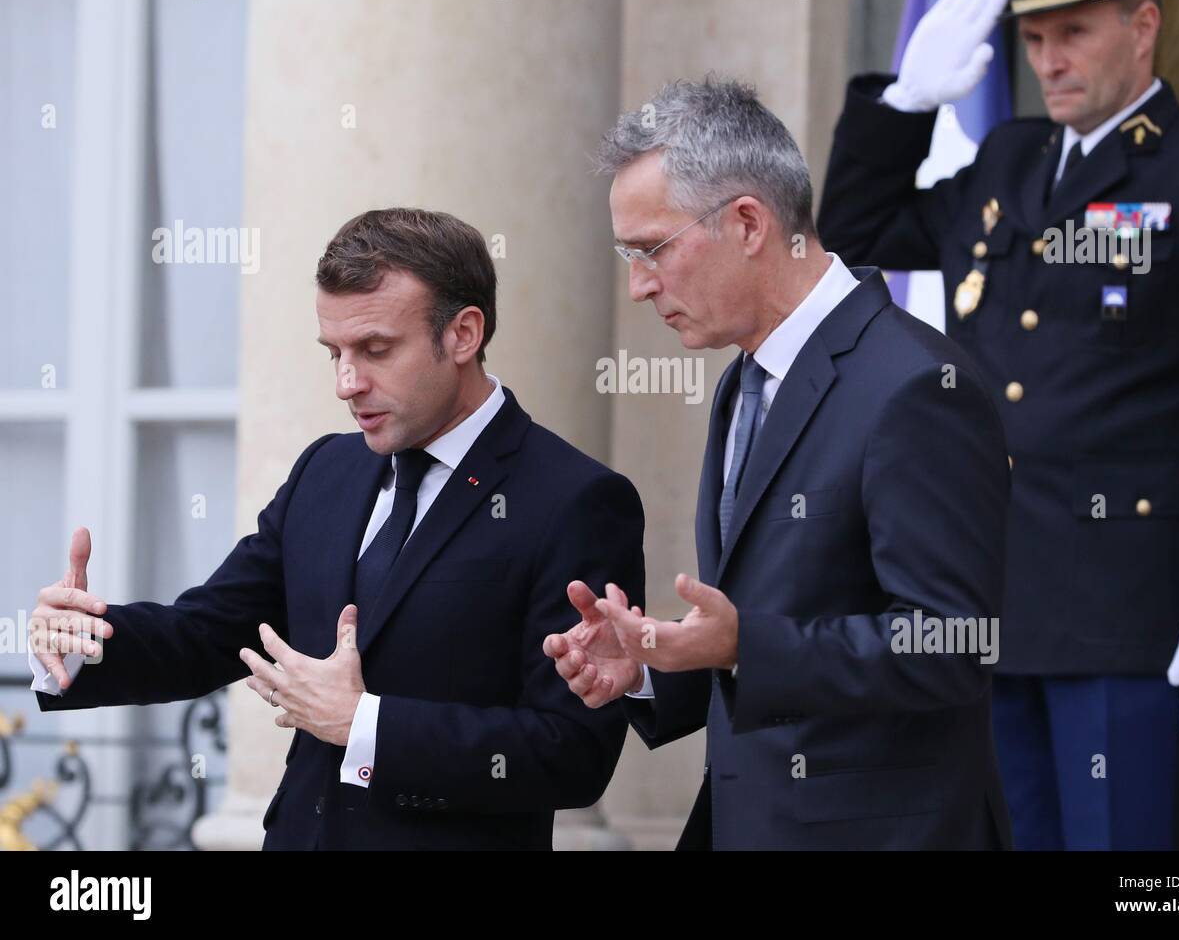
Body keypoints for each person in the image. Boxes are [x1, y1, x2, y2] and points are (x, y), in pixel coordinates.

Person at [817, 0, 1179, 849]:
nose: (1049, 60)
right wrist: (904, 104)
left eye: (1074, 31)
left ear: (1144, 25)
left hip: (1129, 606)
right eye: (1032, 39)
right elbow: (862, 232)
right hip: (997, 600)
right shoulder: (1009, 162)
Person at [29, 207, 645, 850]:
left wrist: (364, 724)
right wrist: (86, 639)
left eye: (375, 350)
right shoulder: (327, 468)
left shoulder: (575, 499)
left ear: (463, 334)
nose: (346, 383)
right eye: (335, 352)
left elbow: (572, 754)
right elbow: (209, 631)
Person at [544, 77, 1013, 850]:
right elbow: (775, 616)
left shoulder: (917, 387)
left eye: (652, 249)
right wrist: (654, 661)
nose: (638, 287)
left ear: (749, 223)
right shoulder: (745, 378)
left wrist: (742, 644)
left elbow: (950, 644)